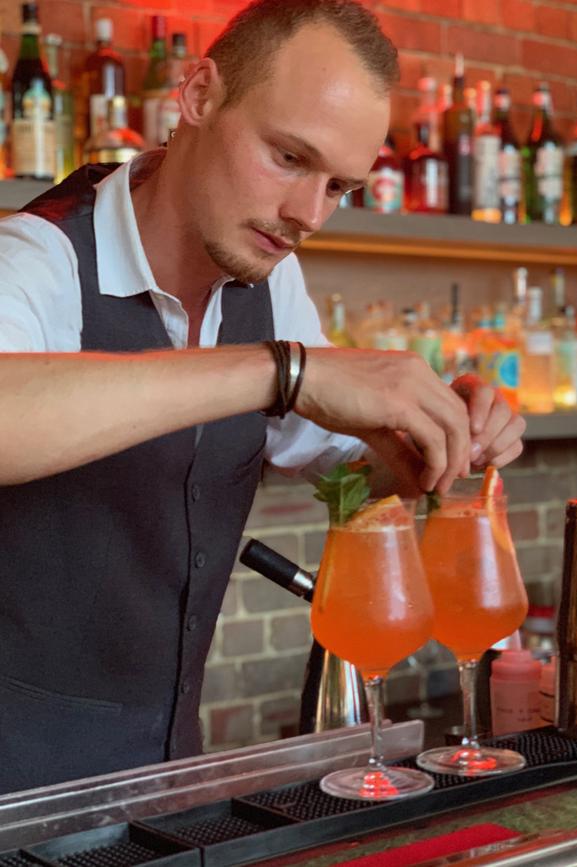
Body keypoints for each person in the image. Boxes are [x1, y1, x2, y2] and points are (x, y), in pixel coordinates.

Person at [0, 0, 525, 794]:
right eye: (288, 156)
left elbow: (347, 480)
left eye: (339, 186)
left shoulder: (269, 277)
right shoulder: (38, 255)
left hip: (164, 777)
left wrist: (433, 439)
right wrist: (283, 370)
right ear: (200, 94)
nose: (307, 214)